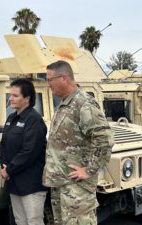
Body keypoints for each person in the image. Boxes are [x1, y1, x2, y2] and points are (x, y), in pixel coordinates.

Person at [42, 60, 114, 225]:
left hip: (77, 188)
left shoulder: (83, 103)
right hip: (62, 184)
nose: (48, 84)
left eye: (50, 79)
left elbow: (105, 139)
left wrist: (89, 170)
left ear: (64, 78)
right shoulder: (66, 103)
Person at [0, 78, 49, 225]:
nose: (11, 98)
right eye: (10, 95)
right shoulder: (11, 118)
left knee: (33, 221)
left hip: (31, 183)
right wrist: (3, 166)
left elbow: (29, 151)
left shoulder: (34, 120)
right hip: (14, 181)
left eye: (15, 95)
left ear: (27, 99)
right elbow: (4, 145)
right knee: (20, 221)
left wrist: (9, 170)